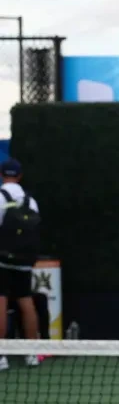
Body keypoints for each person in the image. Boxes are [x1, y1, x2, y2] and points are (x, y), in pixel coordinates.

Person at [0, 158, 43, 371]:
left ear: (1, 175)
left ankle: (1, 355)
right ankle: (32, 353)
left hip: (2, 260)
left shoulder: (0, 196)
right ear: (20, 176)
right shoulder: (30, 201)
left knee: (1, 301)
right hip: (24, 261)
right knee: (26, 301)